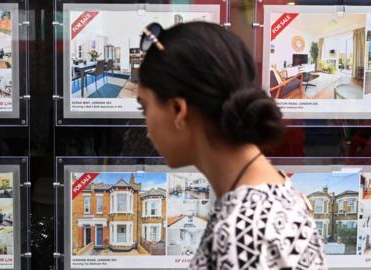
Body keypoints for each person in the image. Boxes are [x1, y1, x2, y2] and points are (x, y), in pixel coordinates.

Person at [137, 21, 326, 269]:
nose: (147, 128)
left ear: (177, 110)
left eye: (144, 107)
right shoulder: (264, 199)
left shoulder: (244, 232)